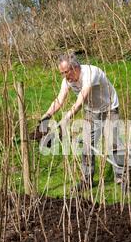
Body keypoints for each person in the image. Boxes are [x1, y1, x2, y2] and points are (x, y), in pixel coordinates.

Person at [40, 53, 124, 192]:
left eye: (66, 72)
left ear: (75, 67)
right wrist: (46, 116)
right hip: (91, 111)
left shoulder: (91, 72)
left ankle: (121, 178)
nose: (65, 76)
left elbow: (81, 99)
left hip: (109, 108)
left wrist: (65, 119)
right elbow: (59, 100)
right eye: (62, 73)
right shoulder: (67, 81)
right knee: (87, 146)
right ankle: (87, 181)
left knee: (113, 144)